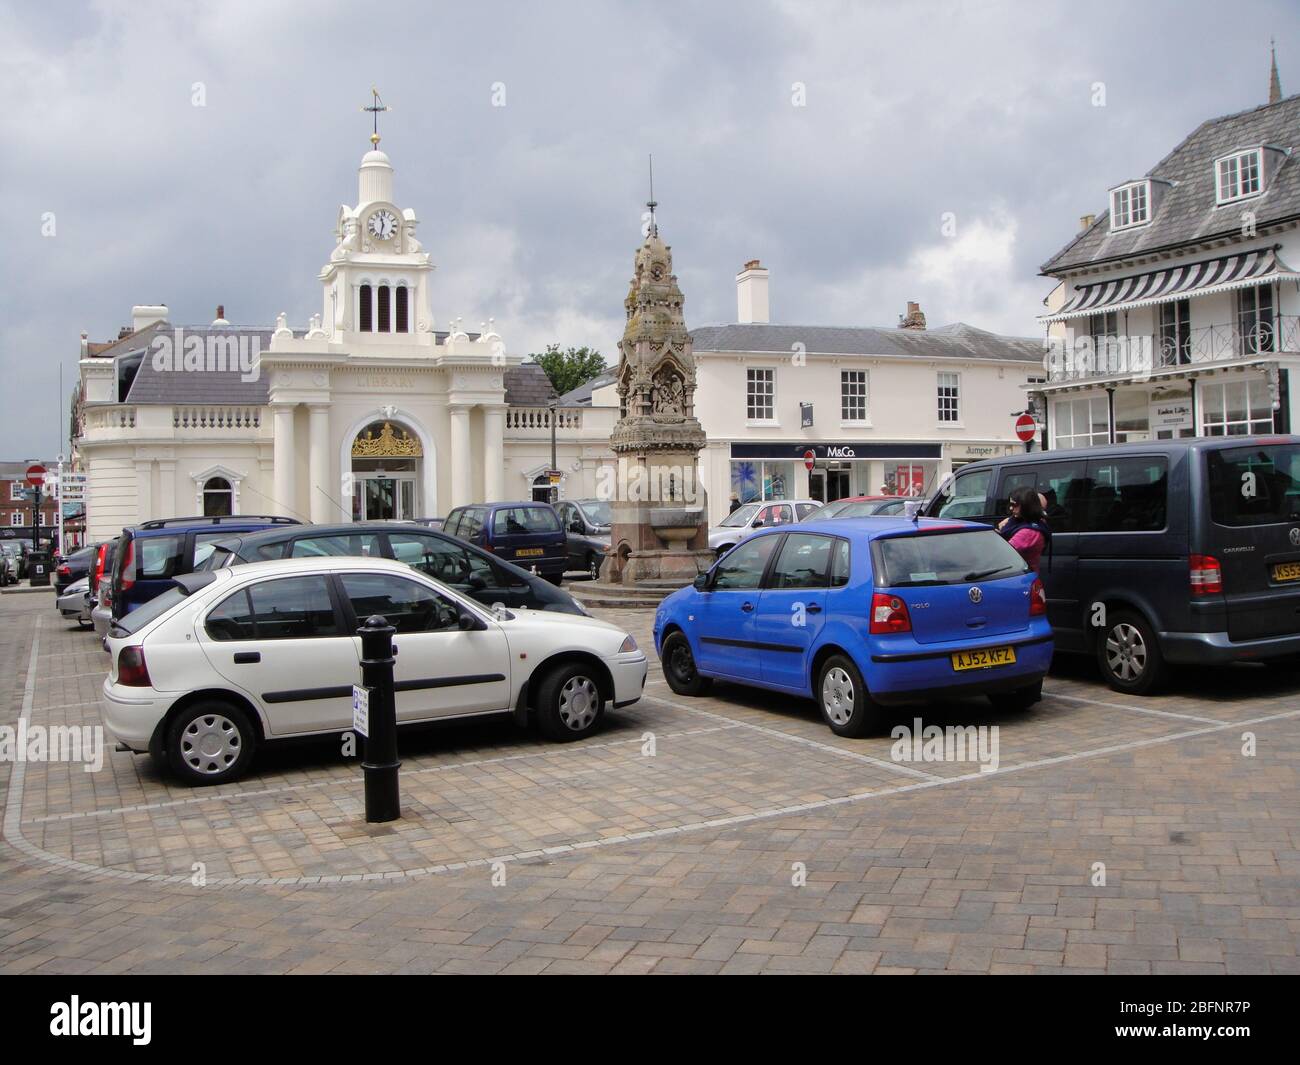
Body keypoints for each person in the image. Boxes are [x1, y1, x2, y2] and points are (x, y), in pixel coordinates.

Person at [997, 486, 1050, 573]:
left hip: (1019, 577)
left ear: (1027, 506)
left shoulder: (1029, 532)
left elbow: (1003, 554)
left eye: (1014, 505)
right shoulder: (1024, 520)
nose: (1011, 508)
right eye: (1010, 504)